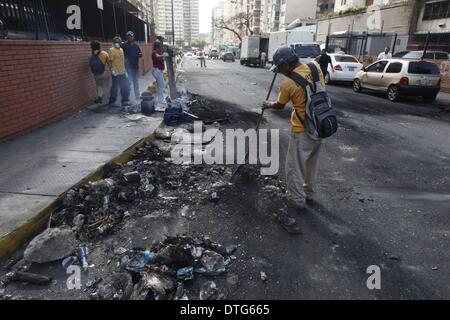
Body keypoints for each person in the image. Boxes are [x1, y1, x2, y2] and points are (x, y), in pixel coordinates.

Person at [262, 47, 325, 235]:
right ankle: (309, 192)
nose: (279, 72)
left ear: (286, 65)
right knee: (311, 163)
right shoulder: (315, 67)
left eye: (279, 68)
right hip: (321, 124)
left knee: (295, 167)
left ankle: (297, 201)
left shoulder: (288, 84)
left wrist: (267, 104)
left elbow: (280, 106)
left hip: (302, 129)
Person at [108, 36, 131, 107]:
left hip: (122, 72)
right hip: (116, 73)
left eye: (119, 42)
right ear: (114, 43)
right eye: (116, 42)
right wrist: (112, 70)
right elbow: (110, 61)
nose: (117, 43)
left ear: (121, 43)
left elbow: (122, 61)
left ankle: (125, 100)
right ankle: (112, 101)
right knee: (115, 88)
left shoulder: (121, 50)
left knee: (126, 86)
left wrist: (125, 71)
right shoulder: (111, 50)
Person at [122, 31, 143, 101]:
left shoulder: (136, 46)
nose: (130, 37)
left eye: (131, 36)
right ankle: (127, 97)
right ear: (126, 37)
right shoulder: (123, 46)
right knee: (128, 83)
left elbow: (140, 54)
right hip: (127, 68)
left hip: (135, 67)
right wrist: (124, 59)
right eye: (128, 36)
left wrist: (140, 55)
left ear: (133, 37)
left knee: (136, 83)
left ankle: (137, 96)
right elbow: (121, 55)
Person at [89, 41, 112, 105]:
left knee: (99, 86)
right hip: (105, 73)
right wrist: (112, 71)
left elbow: (90, 64)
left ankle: (100, 98)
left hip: (96, 74)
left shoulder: (90, 55)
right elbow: (109, 64)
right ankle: (107, 100)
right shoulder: (104, 54)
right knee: (106, 86)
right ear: (99, 47)